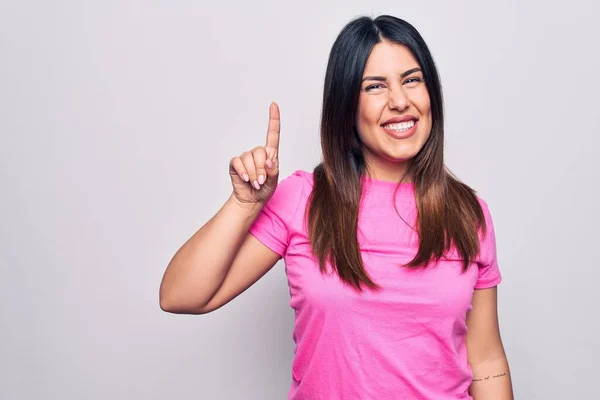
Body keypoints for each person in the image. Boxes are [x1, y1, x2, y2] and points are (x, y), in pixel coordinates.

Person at [159, 14, 514, 400]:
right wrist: (244, 204)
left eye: (412, 80)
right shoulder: (304, 200)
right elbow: (180, 295)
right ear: (347, 105)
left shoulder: (468, 213)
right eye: (375, 86)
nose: (400, 101)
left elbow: (486, 359)